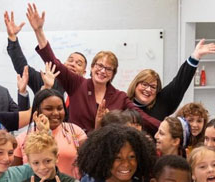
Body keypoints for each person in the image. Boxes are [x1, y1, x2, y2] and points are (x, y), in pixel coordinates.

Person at [27, 3, 160, 133]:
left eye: (108, 69)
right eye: (100, 65)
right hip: (75, 148)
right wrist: (39, 31)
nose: (102, 71)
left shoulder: (120, 97)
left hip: (104, 150)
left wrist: (168, 127)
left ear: (113, 74)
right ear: (91, 68)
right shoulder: (76, 84)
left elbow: (141, 116)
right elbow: (53, 62)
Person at [126, 41, 215, 121]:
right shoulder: (123, 104)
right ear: (135, 85)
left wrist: (195, 56)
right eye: (144, 84)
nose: (148, 89)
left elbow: (180, 82)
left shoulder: (161, 102)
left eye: (153, 87)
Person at [4, 10, 87, 95]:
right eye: (70, 60)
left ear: (84, 73)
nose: (72, 64)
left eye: (79, 64)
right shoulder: (45, 80)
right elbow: (22, 68)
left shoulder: (87, 91)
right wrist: (12, 38)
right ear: (64, 64)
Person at [12, 89, 86, 178]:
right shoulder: (22, 138)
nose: (55, 113)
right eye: (48, 109)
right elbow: (14, 174)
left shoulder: (75, 131)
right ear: (37, 110)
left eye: (60, 108)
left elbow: (90, 160)